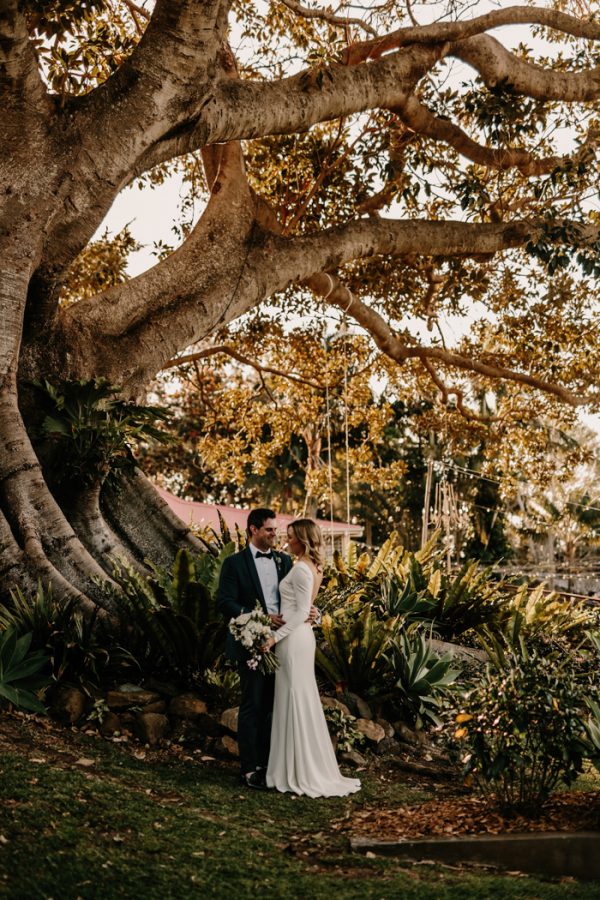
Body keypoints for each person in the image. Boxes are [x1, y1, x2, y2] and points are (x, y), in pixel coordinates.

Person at [263, 518, 361, 798]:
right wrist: (310, 616)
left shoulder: (303, 570)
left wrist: (273, 638)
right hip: (298, 637)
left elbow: (299, 613)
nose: (287, 540)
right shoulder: (310, 567)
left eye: (291, 536)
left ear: (303, 540)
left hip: (294, 640)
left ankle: (301, 770)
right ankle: (287, 767)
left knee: (296, 701)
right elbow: (308, 610)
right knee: (293, 700)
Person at [217, 508, 292, 788]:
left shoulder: (285, 561)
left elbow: (297, 598)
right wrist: (259, 619)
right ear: (253, 530)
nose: (275, 534)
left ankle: (268, 765)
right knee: (252, 705)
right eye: (270, 530)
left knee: (275, 706)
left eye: (275, 529)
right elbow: (225, 602)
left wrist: (311, 613)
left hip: (283, 642)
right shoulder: (234, 564)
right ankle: (249, 770)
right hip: (252, 643)